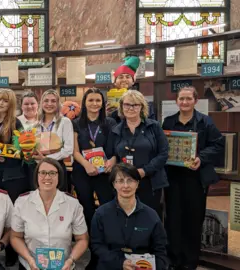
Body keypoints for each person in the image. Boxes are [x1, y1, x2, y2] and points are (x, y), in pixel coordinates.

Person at [162, 86, 225, 270]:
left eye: (188, 99)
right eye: (181, 99)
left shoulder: (205, 122)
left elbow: (218, 145)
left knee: (193, 219)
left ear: (195, 101)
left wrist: (200, 158)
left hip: (195, 179)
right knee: (172, 218)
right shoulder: (168, 122)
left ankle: (190, 261)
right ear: (177, 101)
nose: (184, 102)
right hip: (172, 178)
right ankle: (173, 259)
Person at [10, 158, 89, 270]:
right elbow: (15, 237)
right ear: (36, 176)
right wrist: (29, 259)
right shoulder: (22, 202)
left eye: (52, 173)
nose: (47, 177)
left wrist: (70, 260)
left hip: (63, 266)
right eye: (43, 173)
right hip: (30, 265)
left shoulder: (72, 204)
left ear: (59, 177)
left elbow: (82, 239)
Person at [90, 163, 169, 270]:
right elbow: (97, 246)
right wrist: (120, 263)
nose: (126, 186)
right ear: (114, 184)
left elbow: (160, 250)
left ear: (137, 183)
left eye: (130, 180)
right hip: (110, 266)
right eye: (120, 181)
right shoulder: (101, 214)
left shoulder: (151, 215)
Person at [72, 88, 116, 269]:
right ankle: (92, 252)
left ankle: (107, 252)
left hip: (104, 174)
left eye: (98, 100)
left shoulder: (111, 122)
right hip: (83, 171)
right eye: (91, 100)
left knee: (106, 209)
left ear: (102, 103)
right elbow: (74, 151)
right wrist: (86, 164)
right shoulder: (75, 123)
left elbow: (115, 150)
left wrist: (112, 161)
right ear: (85, 103)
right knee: (87, 211)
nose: (94, 104)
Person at [107, 90, 168, 218]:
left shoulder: (154, 127)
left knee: (150, 217)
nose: (131, 108)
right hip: (125, 182)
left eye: (135, 105)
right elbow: (112, 153)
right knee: (125, 216)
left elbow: (163, 154)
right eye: (127, 105)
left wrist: (144, 171)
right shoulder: (116, 130)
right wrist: (112, 159)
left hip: (150, 181)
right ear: (122, 107)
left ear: (142, 107)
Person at [0, 88, 28, 266]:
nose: (0, 103)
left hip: (13, 176)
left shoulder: (16, 123)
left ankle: (12, 253)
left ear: (10, 103)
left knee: (13, 216)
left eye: (4, 100)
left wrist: (6, 153)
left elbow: (20, 149)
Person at [33, 89, 74, 192]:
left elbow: (68, 149)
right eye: (46, 101)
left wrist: (47, 159)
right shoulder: (35, 125)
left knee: (59, 199)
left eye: (53, 101)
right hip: (38, 168)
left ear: (58, 104)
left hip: (57, 166)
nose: (49, 104)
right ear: (41, 103)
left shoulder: (65, 122)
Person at [107, 56, 156, 122]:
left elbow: (151, 125)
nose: (124, 80)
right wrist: (106, 115)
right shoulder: (106, 104)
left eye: (128, 77)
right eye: (120, 77)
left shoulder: (145, 103)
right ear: (114, 81)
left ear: (133, 81)